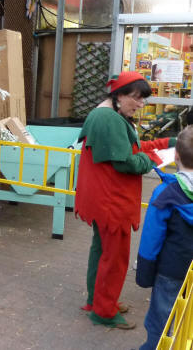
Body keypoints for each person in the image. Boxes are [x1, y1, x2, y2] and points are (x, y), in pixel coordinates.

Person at [75, 71, 176, 329]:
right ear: (119, 95)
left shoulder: (110, 115)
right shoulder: (109, 120)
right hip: (112, 203)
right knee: (115, 258)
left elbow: (133, 148)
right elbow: (128, 163)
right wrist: (156, 158)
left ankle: (96, 300)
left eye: (143, 99)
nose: (141, 104)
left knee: (102, 252)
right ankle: (104, 311)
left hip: (103, 199)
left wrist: (167, 143)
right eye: (136, 98)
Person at [136, 126, 193, 349]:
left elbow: (152, 237)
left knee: (161, 320)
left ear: (176, 155)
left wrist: (145, 272)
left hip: (171, 270)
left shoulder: (165, 193)